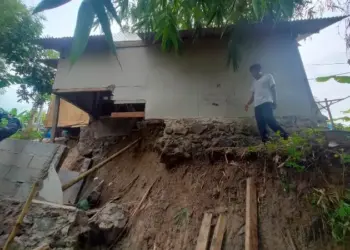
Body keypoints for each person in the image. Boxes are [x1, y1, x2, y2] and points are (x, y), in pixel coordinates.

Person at [245, 63, 288, 142]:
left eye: (253, 71)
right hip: (257, 105)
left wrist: (275, 101)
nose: (252, 74)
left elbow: (273, 89)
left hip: (267, 102)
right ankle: (266, 141)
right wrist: (247, 103)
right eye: (251, 72)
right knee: (260, 124)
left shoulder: (268, 76)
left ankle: (285, 136)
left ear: (258, 70)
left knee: (269, 119)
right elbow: (253, 95)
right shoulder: (254, 82)